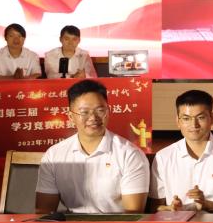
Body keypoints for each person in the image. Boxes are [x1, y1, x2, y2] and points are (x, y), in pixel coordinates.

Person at [35, 79, 149, 214]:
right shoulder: (54, 155)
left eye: (100, 110)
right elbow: (44, 212)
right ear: (70, 116)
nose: (93, 118)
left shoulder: (129, 154)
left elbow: (132, 215)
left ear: (108, 111)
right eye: (84, 112)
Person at [148, 89, 213, 213]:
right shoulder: (163, 157)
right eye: (186, 118)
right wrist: (170, 208)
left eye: (200, 117)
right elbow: (155, 207)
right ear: (178, 121)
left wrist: (207, 204)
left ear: (212, 118)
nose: (194, 125)